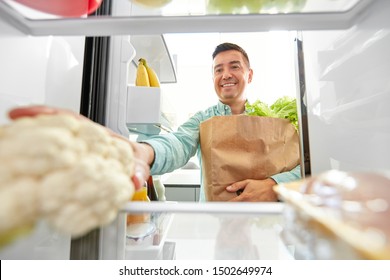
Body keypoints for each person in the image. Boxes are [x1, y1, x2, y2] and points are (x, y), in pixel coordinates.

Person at [136, 42, 301, 202]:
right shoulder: (203, 119)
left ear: (249, 75)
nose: (226, 75)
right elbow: (179, 143)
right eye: (219, 70)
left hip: (261, 222)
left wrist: (274, 185)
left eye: (234, 67)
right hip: (214, 223)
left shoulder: (269, 120)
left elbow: (306, 168)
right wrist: (146, 152)